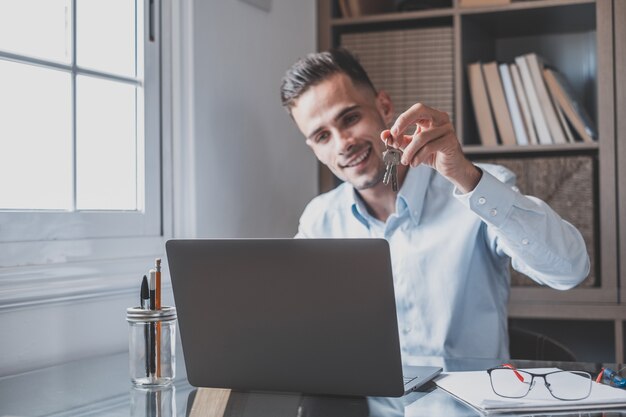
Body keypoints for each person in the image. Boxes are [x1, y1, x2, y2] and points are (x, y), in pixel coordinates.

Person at [279, 48, 589, 360]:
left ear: (384, 107)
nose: (342, 143)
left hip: (464, 408)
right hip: (369, 409)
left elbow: (569, 270)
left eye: (350, 118)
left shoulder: (477, 189)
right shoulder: (319, 221)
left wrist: (467, 178)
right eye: (322, 136)